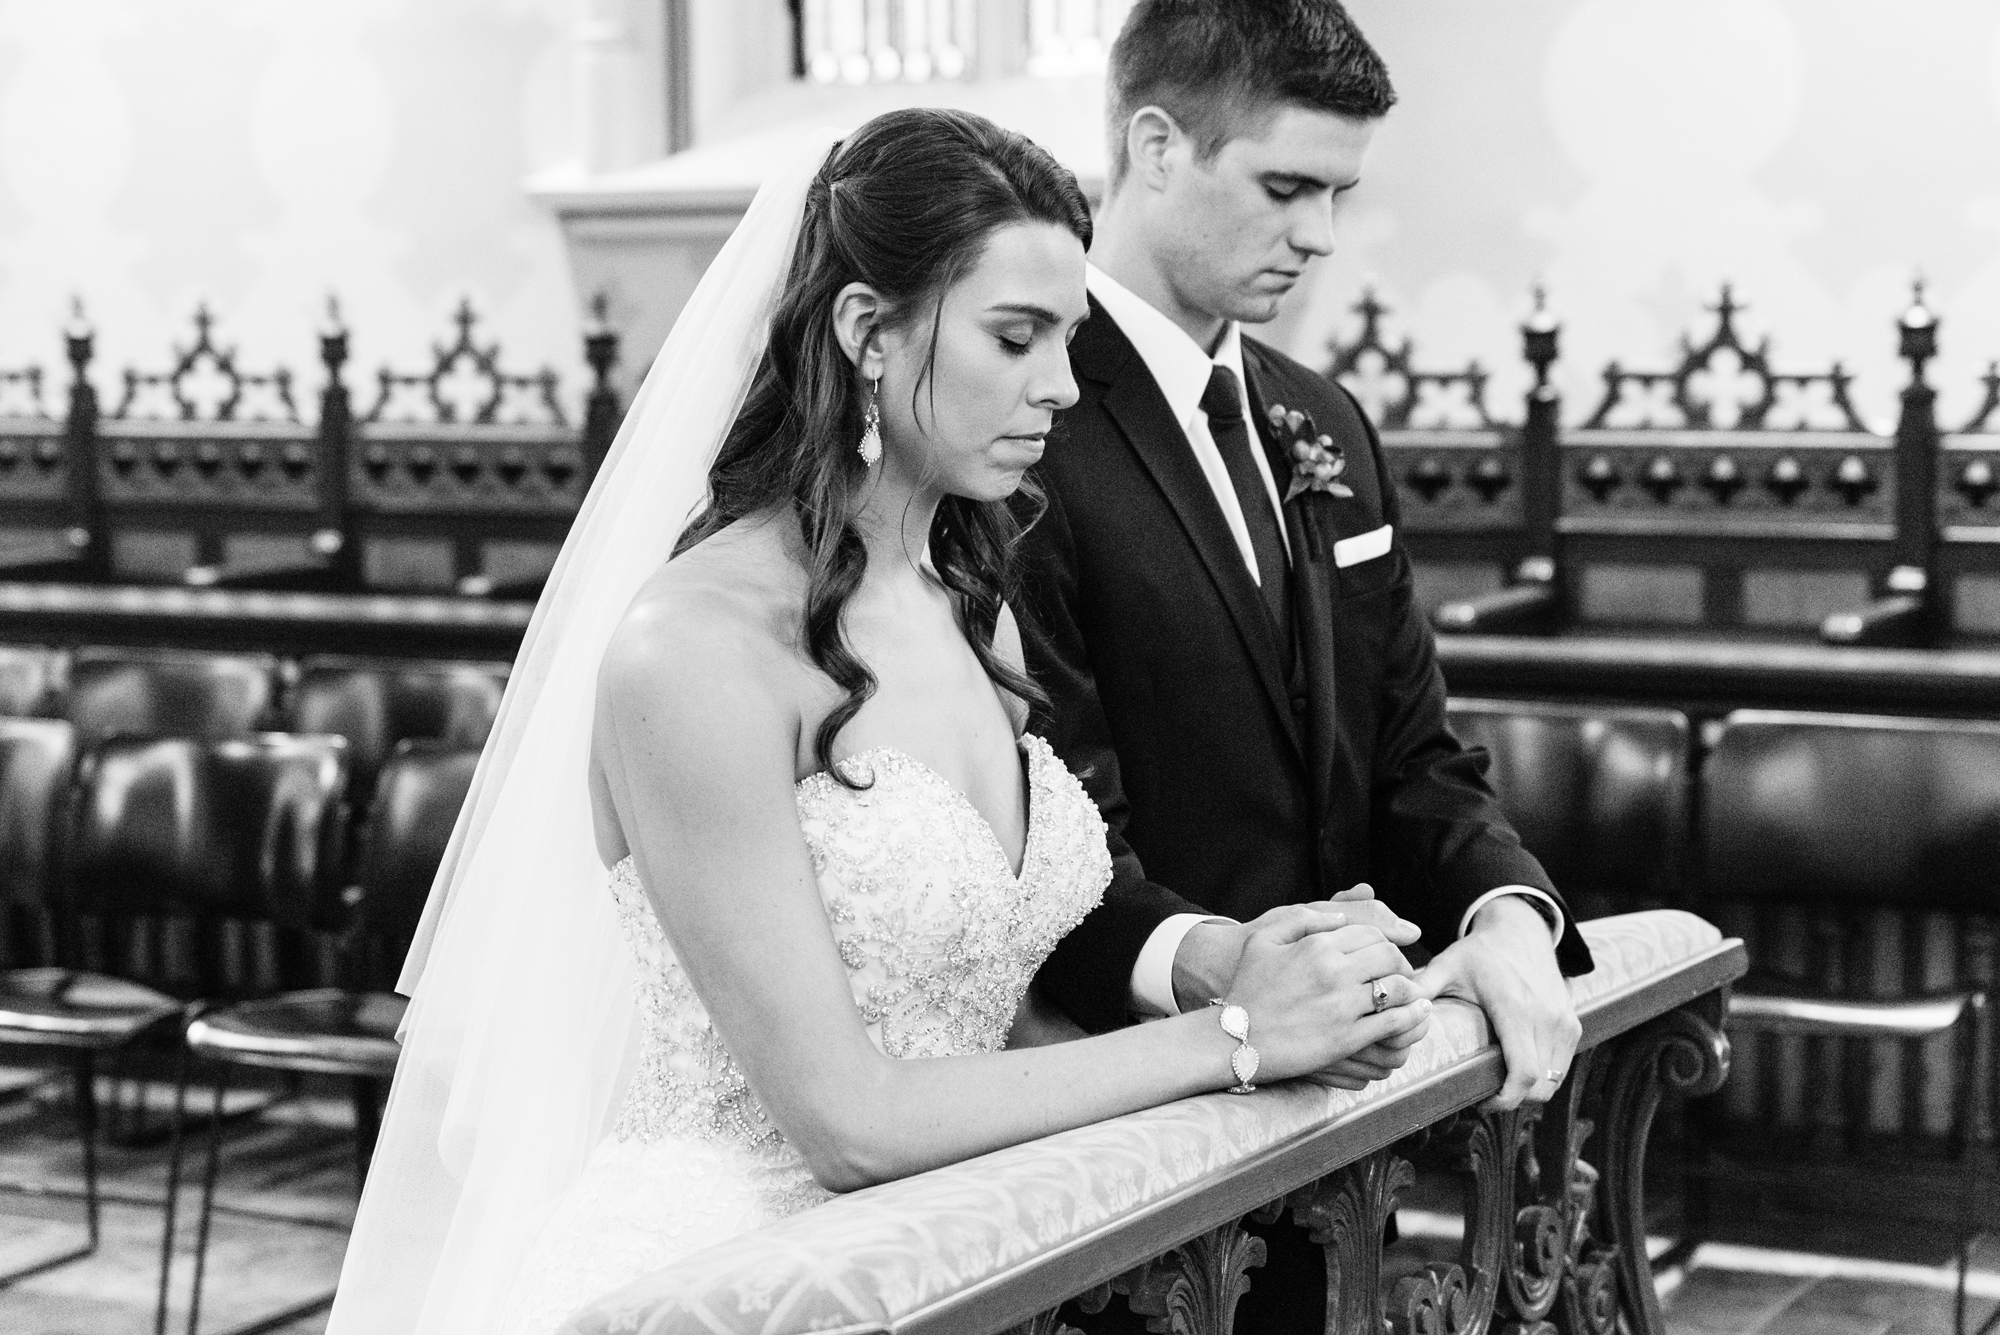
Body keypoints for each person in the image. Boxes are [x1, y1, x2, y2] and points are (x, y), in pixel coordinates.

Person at [326, 107, 1434, 1335]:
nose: (1060, 387)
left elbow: (998, 1006)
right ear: (866, 330)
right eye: (1014, 337)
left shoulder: (976, 612)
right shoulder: (691, 652)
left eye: (1066, 338)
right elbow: (843, 1122)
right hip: (742, 1276)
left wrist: (1261, 965)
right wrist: (1234, 1039)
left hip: (958, 1257)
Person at [1016, 2, 1599, 1327]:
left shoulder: (1319, 418)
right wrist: (1234, 973)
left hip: (1340, 1123)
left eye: (1340, 194)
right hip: (1130, 1113)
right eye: (1286, 187)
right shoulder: (1025, 422)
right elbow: (1040, 814)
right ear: (1156, 146)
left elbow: (1415, 755)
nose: (1320, 237)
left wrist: (1507, 913)